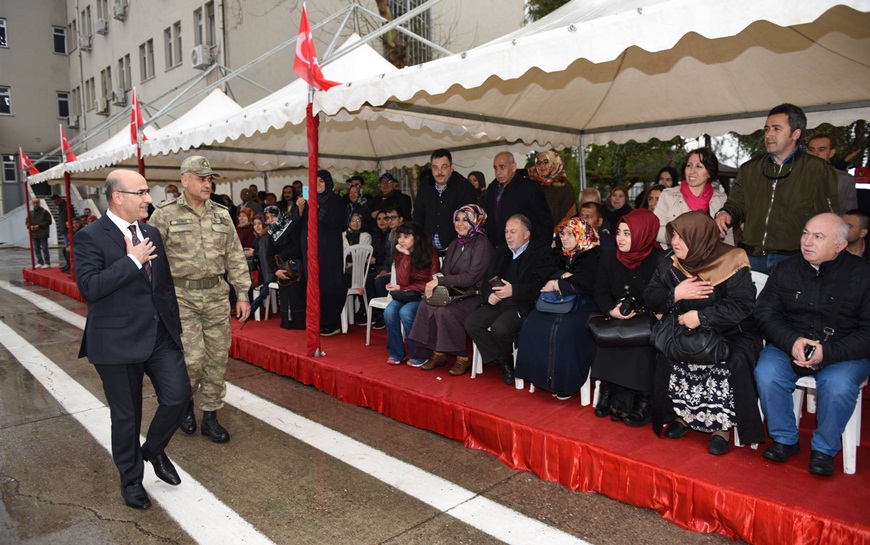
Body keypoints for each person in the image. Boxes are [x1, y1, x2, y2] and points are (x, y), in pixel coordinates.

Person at [74, 169, 190, 510]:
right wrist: (131, 261)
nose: (148, 199)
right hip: (116, 343)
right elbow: (90, 287)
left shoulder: (151, 232)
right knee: (127, 417)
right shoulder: (89, 236)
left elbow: (163, 286)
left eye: (147, 192)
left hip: (159, 336)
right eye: (141, 193)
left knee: (178, 396)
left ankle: (153, 449)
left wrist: (174, 327)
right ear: (117, 197)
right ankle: (131, 481)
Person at [754, 213, 870, 476]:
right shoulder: (786, 269)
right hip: (790, 342)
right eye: (806, 233)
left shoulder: (863, 275)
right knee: (767, 373)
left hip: (844, 349)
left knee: (839, 386)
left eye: (818, 237)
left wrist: (828, 352)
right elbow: (765, 314)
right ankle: (785, 439)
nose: (807, 241)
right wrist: (791, 341)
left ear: (840, 245)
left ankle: (824, 449)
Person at [149, 156, 251, 444]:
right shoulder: (165, 215)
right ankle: (184, 405)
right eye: (201, 178)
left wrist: (242, 293)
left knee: (217, 358)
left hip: (216, 296)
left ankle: (210, 416)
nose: (207, 184)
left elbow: (235, 255)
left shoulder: (221, 214)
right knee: (193, 360)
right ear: (185, 180)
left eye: (209, 179)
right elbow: (151, 259)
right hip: (182, 299)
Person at [644, 211, 764, 455]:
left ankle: (721, 428)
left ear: (699, 238)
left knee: (727, 361)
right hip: (683, 328)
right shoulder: (669, 260)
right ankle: (684, 417)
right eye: (673, 235)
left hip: (731, 331)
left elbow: (742, 304)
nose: (674, 242)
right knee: (671, 355)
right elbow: (650, 296)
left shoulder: (731, 259)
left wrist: (701, 317)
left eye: (682, 237)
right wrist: (676, 294)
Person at [714, 103, 839, 273]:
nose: (769, 134)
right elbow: (736, 203)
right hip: (752, 255)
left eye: (776, 128)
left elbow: (829, 216)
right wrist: (725, 212)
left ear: (795, 134)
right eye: (766, 129)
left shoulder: (818, 169)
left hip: (796, 259)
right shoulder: (749, 169)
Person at [465, 214, 557, 385]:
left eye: (513, 232)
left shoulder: (541, 252)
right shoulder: (502, 250)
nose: (508, 236)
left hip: (522, 303)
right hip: (498, 300)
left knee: (500, 328)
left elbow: (540, 286)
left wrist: (513, 290)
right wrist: (489, 294)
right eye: (506, 232)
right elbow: (487, 278)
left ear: (526, 234)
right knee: (472, 323)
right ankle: (502, 359)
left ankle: (507, 363)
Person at [515, 217, 600, 399]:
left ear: (581, 235)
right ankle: (541, 378)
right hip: (553, 303)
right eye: (562, 234)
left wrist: (558, 283)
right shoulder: (555, 254)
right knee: (531, 324)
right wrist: (564, 276)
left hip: (583, 306)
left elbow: (589, 283)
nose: (564, 238)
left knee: (564, 332)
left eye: (570, 234)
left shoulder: (594, 255)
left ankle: (562, 384)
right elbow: (540, 274)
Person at [592, 209, 662, 425]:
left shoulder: (659, 260)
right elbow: (600, 292)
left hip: (648, 317)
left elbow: (663, 296)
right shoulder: (609, 257)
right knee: (607, 339)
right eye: (619, 232)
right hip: (617, 314)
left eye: (627, 233)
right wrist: (610, 310)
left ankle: (644, 402)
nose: (620, 238)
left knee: (640, 345)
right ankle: (607, 391)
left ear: (642, 234)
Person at [411, 205, 494, 375]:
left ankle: (462, 357)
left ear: (477, 221)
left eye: (466, 220)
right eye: (457, 219)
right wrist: (437, 282)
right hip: (454, 292)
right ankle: (437, 352)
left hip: (474, 295)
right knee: (426, 304)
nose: (460, 224)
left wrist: (440, 281)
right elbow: (446, 272)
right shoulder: (455, 243)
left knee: (445, 312)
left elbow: (471, 278)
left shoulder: (482, 244)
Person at [383, 222, 440, 365]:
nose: (401, 240)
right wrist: (406, 256)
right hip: (406, 294)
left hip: (424, 295)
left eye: (406, 236)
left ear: (417, 237)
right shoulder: (400, 253)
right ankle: (396, 353)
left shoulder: (430, 252)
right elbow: (402, 281)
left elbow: (432, 283)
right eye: (400, 236)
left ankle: (420, 354)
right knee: (389, 312)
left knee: (406, 312)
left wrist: (403, 288)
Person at [299, 169, 346, 336]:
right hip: (311, 249)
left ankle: (331, 322)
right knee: (313, 284)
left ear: (328, 183)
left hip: (329, 250)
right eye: (315, 181)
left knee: (328, 285)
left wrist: (317, 208)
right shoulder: (309, 199)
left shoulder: (335, 200)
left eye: (321, 181)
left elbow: (338, 223)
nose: (317, 184)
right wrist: (301, 209)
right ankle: (315, 320)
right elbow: (301, 222)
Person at [655, 147, 733, 248]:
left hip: (712, 256)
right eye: (689, 165)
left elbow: (728, 235)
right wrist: (683, 237)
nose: (692, 171)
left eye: (699, 166)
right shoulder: (668, 196)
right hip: (675, 254)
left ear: (710, 173)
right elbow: (655, 230)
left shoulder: (721, 199)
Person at [414, 149, 477, 254]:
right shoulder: (425, 185)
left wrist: (459, 244)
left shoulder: (464, 187)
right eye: (435, 168)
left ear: (451, 168)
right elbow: (418, 215)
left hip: (456, 250)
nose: (439, 172)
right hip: (428, 250)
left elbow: (470, 221)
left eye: (444, 167)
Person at [485, 152, 553, 247]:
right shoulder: (492, 189)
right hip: (499, 248)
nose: (498, 172)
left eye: (502, 167)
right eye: (495, 168)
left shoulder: (530, 188)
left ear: (513, 167)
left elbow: (545, 222)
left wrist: (543, 249)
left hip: (525, 248)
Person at [264, 204, 306, 329]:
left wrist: (283, 256)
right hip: (282, 268)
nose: (271, 220)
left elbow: (300, 246)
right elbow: (269, 254)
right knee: (285, 295)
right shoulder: (271, 233)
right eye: (267, 218)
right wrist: (276, 271)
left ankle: (300, 323)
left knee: (297, 295)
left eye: (273, 216)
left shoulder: (292, 226)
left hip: (298, 267)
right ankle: (287, 322)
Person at [807, 134, 858, 212]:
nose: (815, 154)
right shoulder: (795, 177)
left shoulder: (845, 180)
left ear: (832, 153)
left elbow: (850, 213)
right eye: (811, 150)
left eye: (821, 150)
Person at [529, 150, 577, 229]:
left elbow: (571, 214)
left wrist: (557, 231)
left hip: (561, 232)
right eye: (539, 163)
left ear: (555, 163)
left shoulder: (565, 186)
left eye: (546, 162)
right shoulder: (533, 185)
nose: (541, 166)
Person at [246, 214, 274, 318]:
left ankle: (248, 311)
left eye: (259, 223)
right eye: (254, 224)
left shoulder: (267, 237)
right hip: (260, 271)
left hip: (268, 274)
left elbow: (267, 257)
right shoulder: (257, 239)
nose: (257, 226)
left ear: (264, 224)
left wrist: (254, 253)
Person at [26, 197, 52, 268]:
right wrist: (30, 226)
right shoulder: (30, 213)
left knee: (44, 248)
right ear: (32, 203)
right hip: (34, 233)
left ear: (39, 203)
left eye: (37, 203)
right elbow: (27, 222)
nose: (36, 204)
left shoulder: (44, 212)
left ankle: (47, 262)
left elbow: (49, 221)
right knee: (36, 248)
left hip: (43, 233)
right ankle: (40, 262)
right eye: (34, 203)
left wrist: (39, 225)